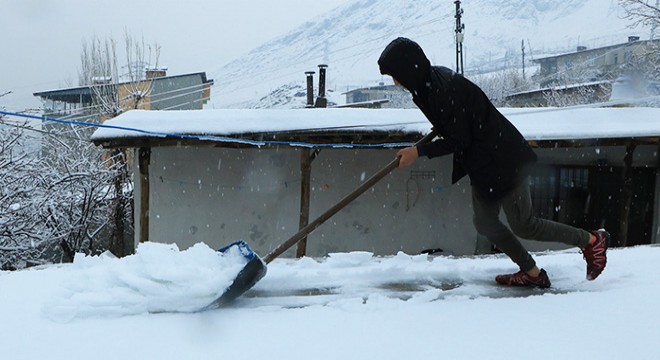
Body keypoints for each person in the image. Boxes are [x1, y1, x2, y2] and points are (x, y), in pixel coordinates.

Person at [378, 37, 609, 288]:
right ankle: (532, 273)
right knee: (486, 223)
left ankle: (592, 241)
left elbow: (459, 140)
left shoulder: (440, 90)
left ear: (409, 68)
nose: (395, 82)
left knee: (525, 225)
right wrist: (446, 124)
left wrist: (418, 152)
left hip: (503, 158)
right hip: (482, 164)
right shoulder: (425, 86)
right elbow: (459, 124)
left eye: (396, 74)